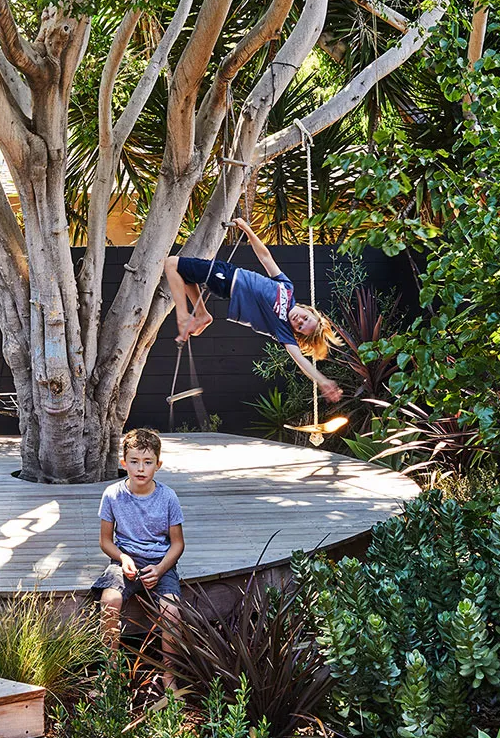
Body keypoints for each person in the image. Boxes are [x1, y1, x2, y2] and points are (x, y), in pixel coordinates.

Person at [163, 217, 343, 404]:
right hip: (231, 272)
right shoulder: (288, 288)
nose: (299, 320)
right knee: (184, 274)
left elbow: (300, 360)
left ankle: (184, 317)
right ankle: (201, 314)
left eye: (300, 326)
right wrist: (248, 230)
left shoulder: (282, 329)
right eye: (305, 318)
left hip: (227, 280)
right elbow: (266, 257)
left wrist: (322, 380)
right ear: (310, 310)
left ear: (296, 332)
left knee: (171, 264)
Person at [95, 427, 184, 691]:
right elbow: (105, 541)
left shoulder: (168, 497)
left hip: (161, 564)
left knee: (172, 611)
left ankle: (169, 677)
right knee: (110, 600)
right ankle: (110, 672)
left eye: (147, 463)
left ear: (158, 465)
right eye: (134, 462)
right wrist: (123, 558)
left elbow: (177, 544)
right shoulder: (112, 495)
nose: (140, 469)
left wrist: (160, 568)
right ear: (124, 463)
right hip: (126, 563)